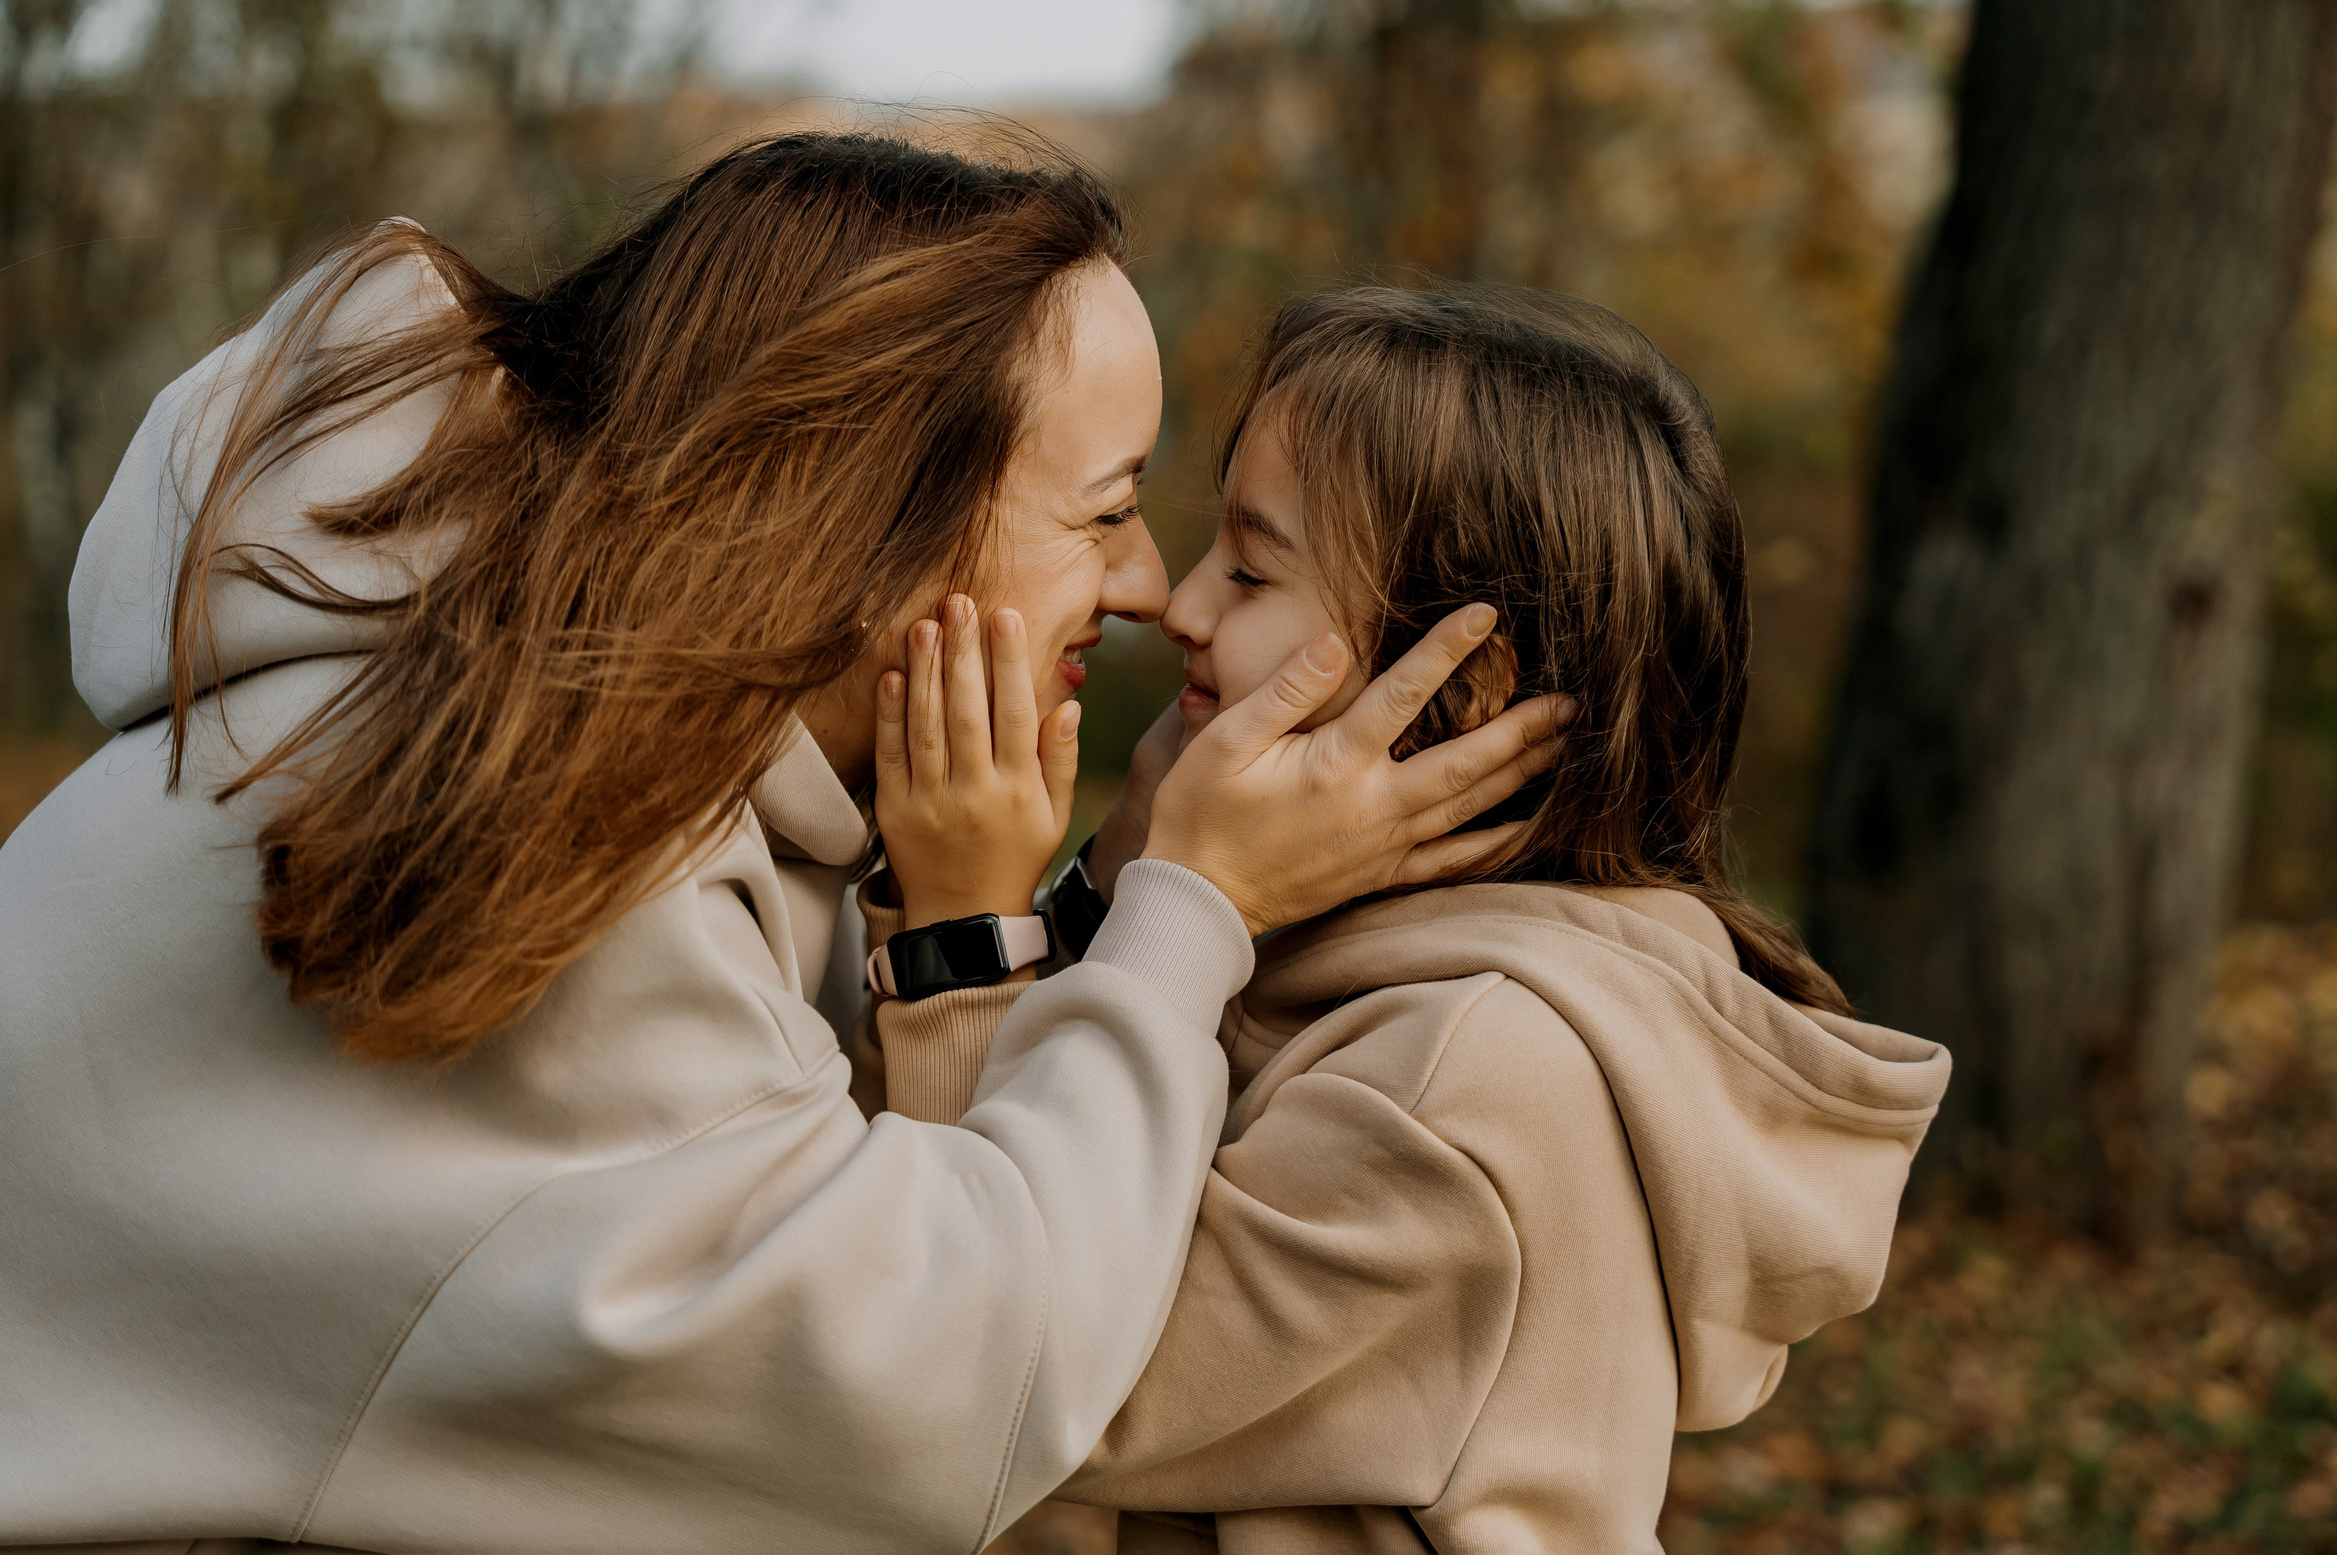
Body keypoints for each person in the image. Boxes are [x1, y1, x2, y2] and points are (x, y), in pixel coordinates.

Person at [0, 134, 1569, 1553]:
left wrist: (1053, 897)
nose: (1153, 585)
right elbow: (947, 1398)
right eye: (1100, 514)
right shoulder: (549, 864)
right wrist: (1190, 908)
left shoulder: (508, 710)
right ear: (863, 513)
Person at [875, 283, 1953, 1552]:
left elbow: (977, 1394)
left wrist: (964, 944)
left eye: (1253, 566)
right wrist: (1114, 896)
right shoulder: (1311, 960)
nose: (1184, 607)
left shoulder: (1469, 1081)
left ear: (1462, 690)